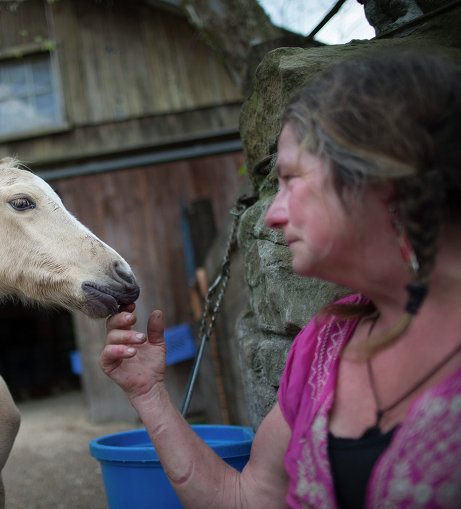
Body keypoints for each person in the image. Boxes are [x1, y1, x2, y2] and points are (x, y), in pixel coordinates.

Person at [101, 51, 461, 508]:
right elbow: (246, 499)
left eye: (290, 179)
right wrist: (149, 395)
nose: (272, 214)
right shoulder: (324, 346)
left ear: (381, 172)